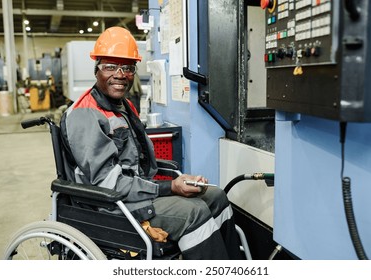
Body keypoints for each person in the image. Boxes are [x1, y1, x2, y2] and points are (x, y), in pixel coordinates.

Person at [60, 26, 242, 260]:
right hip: (112, 206)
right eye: (110, 67)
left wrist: (177, 182)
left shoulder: (124, 107)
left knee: (216, 197)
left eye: (127, 68)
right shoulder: (86, 114)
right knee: (194, 212)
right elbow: (107, 184)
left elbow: (138, 165)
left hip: (137, 194)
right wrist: (169, 187)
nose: (120, 74)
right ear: (96, 70)